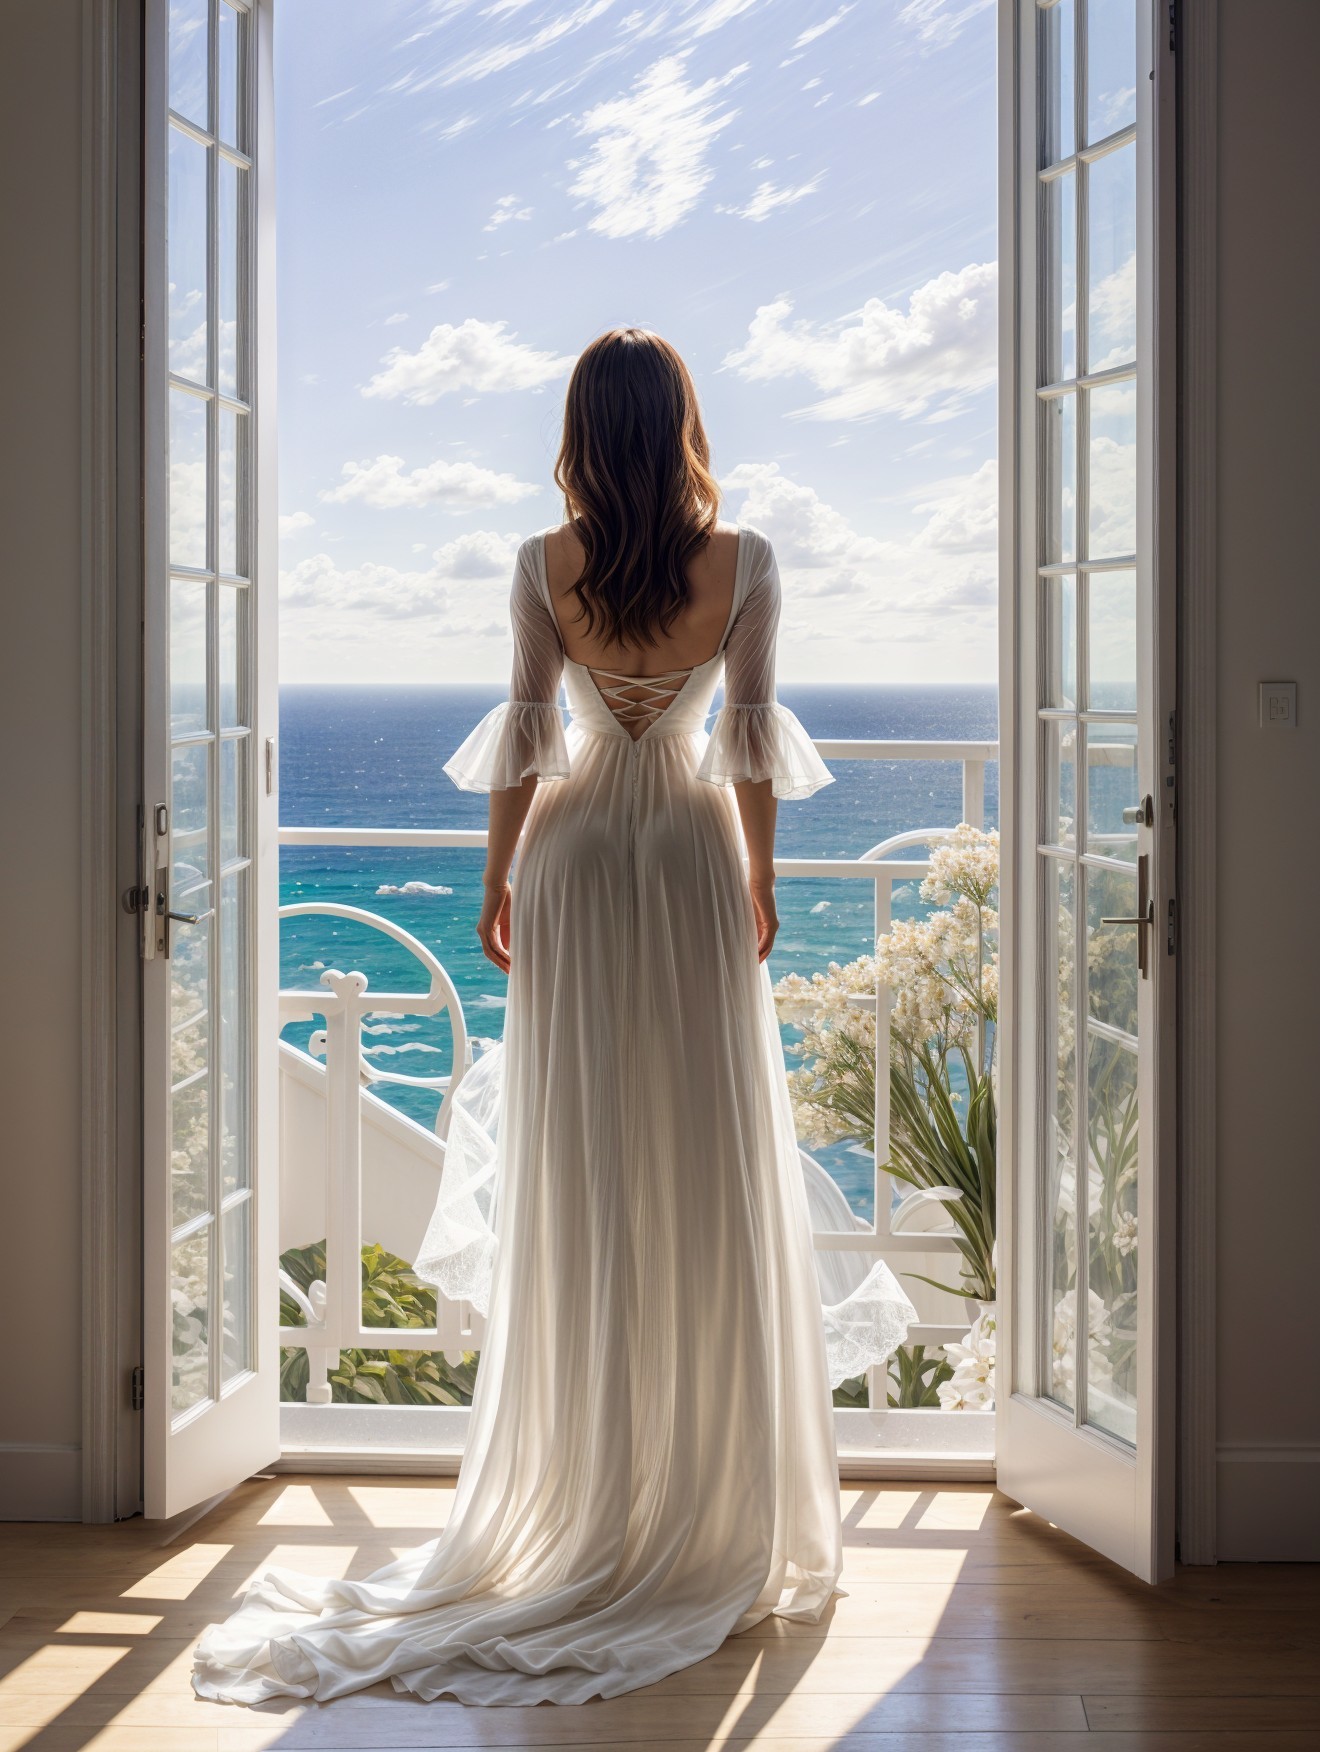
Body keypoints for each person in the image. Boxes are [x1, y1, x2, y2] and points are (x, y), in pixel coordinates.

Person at [193, 328, 913, 1709]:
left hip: (581, 858)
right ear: (685, 422)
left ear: (583, 430)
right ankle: (706, 1502)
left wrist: (496, 879)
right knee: (703, 1157)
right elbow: (748, 738)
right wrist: (757, 881)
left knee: (586, 1158)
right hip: (690, 858)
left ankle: (586, 1480)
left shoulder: (545, 565)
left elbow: (531, 727)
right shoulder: (746, 562)